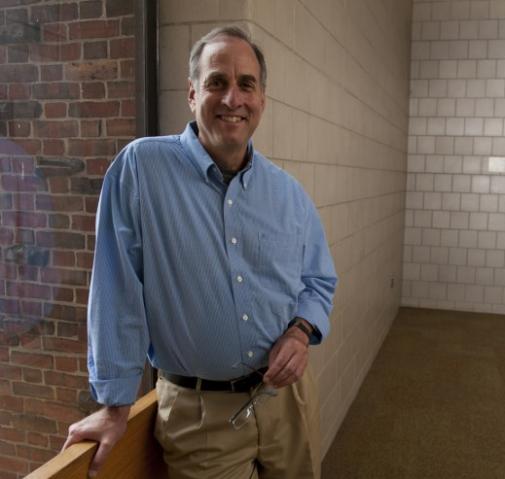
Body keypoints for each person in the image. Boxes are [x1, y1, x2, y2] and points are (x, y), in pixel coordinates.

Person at [62, 25, 337, 479]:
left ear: (262, 99)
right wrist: (114, 407)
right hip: (199, 416)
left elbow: (318, 279)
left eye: (246, 84)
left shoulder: (289, 193)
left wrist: (300, 331)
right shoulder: (142, 169)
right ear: (192, 94)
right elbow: (116, 291)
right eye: (217, 82)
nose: (233, 98)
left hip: (288, 400)